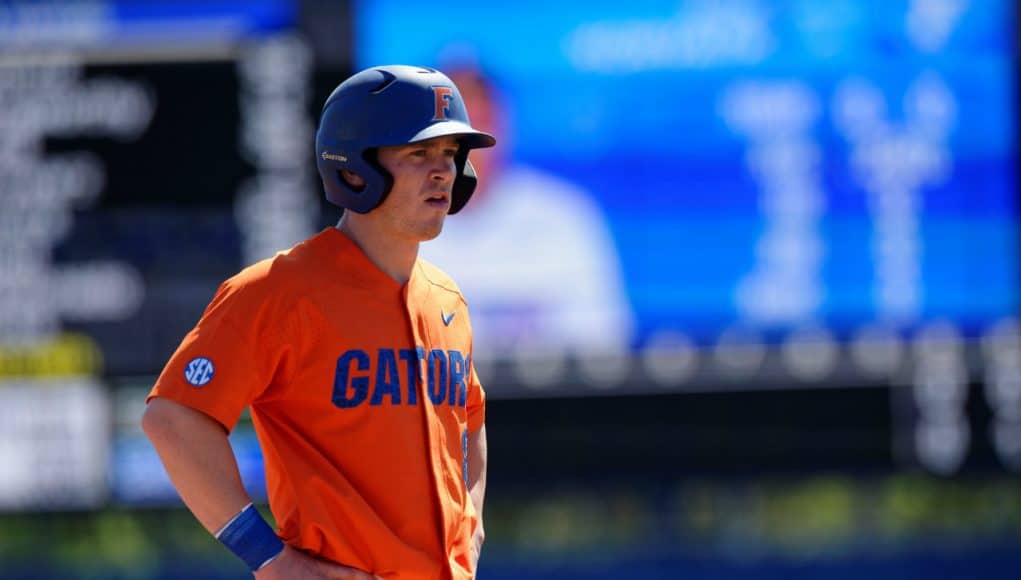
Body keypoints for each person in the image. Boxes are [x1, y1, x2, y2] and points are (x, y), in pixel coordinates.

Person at [141, 65, 494, 580]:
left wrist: (473, 523)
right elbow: (172, 421)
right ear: (354, 169)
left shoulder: (447, 298)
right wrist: (268, 559)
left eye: (449, 155)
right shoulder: (277, 292)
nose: (441, 171)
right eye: (418, 153)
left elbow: (471, 421)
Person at [419, 65, 634, 363]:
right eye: (449, 135)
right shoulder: (389, 226)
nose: (464, 150)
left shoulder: (564, 215)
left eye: (477, 129)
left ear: (502, 129)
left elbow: (605, 342)